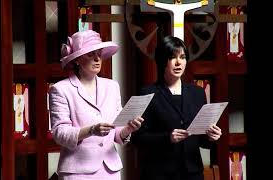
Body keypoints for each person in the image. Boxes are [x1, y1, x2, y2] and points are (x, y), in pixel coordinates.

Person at [48, 30, 144, 180]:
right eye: (90, 54)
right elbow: (59, 133)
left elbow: (117, 133)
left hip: (110, 170)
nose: (97, 59)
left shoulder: (112, 86)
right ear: (77, 60)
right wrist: (92, 130)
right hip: (77, 172)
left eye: (99, 53)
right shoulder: (60, 89)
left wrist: (128, 128)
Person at [131, 35, 222, 180]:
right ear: (162, 61)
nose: (179, 62)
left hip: (193, 173)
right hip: (159, 174)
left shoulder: (197, 93)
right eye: (173, 57)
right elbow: (137, 138)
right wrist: (168, 138)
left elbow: (201, 140)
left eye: (183, 57)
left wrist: (212, 137)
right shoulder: (148, 93)